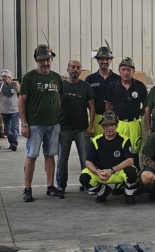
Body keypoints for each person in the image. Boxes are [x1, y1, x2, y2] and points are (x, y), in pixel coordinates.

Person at [18, 44, 63, 202]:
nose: (45, 63)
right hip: (35, 125)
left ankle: (50, 187)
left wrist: (57, 119)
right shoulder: (29, 78)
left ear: (51, 60)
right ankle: (27, 190)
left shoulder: (56, 77)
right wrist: (24, 123)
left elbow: (59, 99)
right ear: (36, 60)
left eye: (48, 59)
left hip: (53, 124)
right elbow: (22, 100)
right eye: (41, 60)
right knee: (31, 156)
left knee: (50, 156)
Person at [79, 111, 139, 204]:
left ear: (117, 126)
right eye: (106, 125)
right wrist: (97, 172)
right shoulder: (95, 141)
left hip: (117, 172)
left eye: (112, 125)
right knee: (84, 178)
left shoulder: (124, 139)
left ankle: (128, 194)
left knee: (132, 171)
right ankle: (103, 191)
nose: (109, 128)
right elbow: (88, 162)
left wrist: (112, 170)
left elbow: (130, 160)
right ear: (102, 127)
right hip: (101, 173)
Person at [56, 60, 95, 193]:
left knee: (85, 159)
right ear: (68, 69)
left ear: (80, 71)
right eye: (72, 67)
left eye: (78, 68)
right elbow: (57, 106)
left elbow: (92, 106)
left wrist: (91, 126)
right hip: (64, 129)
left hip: (82, 129)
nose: (75, 70)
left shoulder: (86, 86)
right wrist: (56, 125)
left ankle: (86, 183)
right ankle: (61, 185)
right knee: (62, 159)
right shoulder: (61, 86)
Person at [104, 57, 148, 153]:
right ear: (119, 71)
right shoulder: (112, 85)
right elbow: (108, 105)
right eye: (123, 69)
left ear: (133, 71)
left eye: (129, 70)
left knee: (134, 149)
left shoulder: (140, 86)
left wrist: (140, 113)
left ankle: (134, 168)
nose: (126, 72)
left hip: (134, 124)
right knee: (117, 149)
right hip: (119, 124)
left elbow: (146, 105)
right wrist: (112, 118)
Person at [85, 42, 120, 136]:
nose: (104, 61)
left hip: (113, 120)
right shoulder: (90, 79)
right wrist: (91, 124)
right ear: (97, 60)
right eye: (101, 59)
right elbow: (87, 101)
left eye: (107, 59)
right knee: (96, 146)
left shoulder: (118, 79)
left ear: (111, 60)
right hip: (95, 118)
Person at [0, 69, 20, 151]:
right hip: (4, 111)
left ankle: (14, 144)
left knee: (14, 128)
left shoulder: (15, 84)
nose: (3, 78)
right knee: (7, 129)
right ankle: (11, 142)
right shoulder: (0, 85)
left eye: (5, 76)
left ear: (9, 77)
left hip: (15, 110)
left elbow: (22, 93)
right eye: (2, 76)